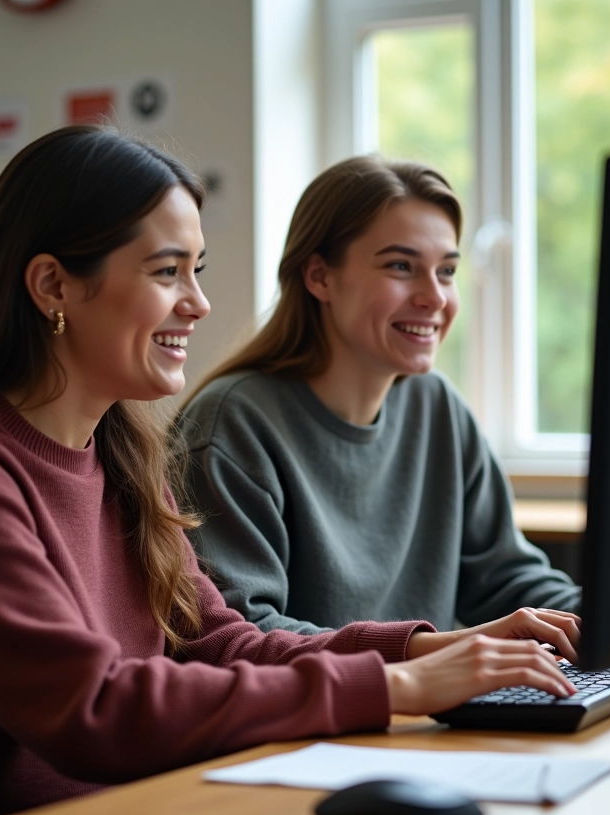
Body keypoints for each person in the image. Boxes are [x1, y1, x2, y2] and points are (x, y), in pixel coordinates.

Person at [0, 126, 581, 815]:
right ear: (53, 286)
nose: (200, 304)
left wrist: (423, 650)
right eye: (168, 271)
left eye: (196, 270)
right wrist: (397, 688)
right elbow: (91, 708)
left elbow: (219, 644)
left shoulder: (120, 450)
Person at [179, 156, 581, 636]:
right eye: (401, 266)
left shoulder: (438, 407)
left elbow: (505, 579)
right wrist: (432, 654)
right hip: (332, 710)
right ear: (319, 277)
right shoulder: (232, 426)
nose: (434, 297)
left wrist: (608, 615)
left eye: (447, 271)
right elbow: (244, 637)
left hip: (425, 707)